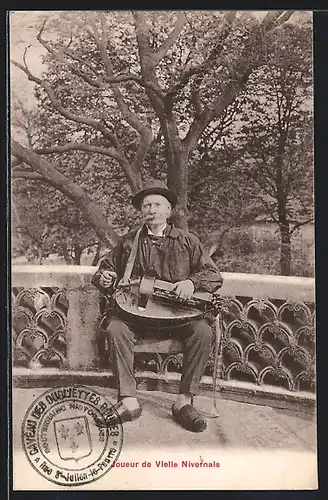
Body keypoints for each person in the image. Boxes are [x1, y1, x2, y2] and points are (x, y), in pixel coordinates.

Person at [91, 179, 223, 432]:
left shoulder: (188, 242)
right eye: (146, 205)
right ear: (141, 211)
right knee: (116, 329)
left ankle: (184, 402)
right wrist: (105, 276)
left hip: (177, 318)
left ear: (169, 211)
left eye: (157, 204)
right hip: (137, 317)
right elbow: (106, 269)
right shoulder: (129, 242)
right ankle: (129, 401)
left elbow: (213, 275)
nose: (150, 209)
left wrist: (191, 283)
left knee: (203, 331)